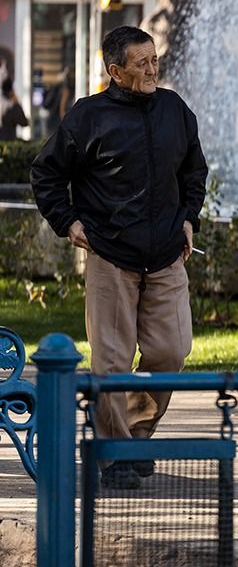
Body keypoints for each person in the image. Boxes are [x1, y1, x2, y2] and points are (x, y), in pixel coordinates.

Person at [30, 26, 208, 490]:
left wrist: (190, 218)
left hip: (168, 253)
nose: (153, 69)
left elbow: (194, 169)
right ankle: (115, 454)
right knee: (110, 362)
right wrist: (67, 222)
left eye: (155, 60)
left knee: (171, 353)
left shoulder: (175, 110)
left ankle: (133, 436)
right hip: (110, 254)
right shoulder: (88, 117)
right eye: (142, 63)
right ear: (115, 71)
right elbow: (46, 173)